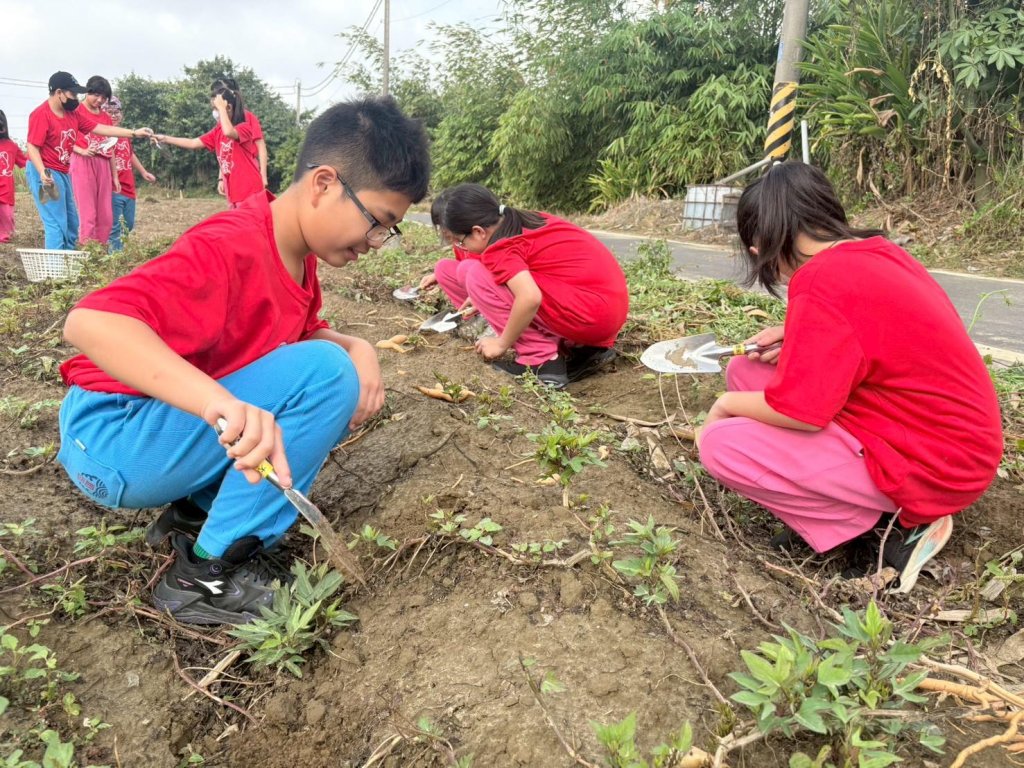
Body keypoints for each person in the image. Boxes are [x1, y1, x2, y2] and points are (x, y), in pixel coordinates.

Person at [57, 96, 430, 625]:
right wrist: (220, 404)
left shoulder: (295, 257)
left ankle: (196, 513)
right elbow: (89, 323)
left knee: (326, 361)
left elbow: (299, 333)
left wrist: (360, 346)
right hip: (111, 435)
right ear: (324, 184)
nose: (377, 241)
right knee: (325, 375)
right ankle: (202, 577)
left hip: (143, 436)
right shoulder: (229, 245)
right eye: (378, 222)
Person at [696, 161, 1003, 593]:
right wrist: (796, 333)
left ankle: (882, 527)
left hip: (938, 467)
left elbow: (803, 413)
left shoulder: (820, 281)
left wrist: (722, 407)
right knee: (744, 370)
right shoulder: (876, 252)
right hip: (952, 439)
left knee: (721, 444)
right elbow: (881, 327)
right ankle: (862, 510)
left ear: (761, 242)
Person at [430, 183, 628, 389]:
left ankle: (541, 360)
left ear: (479, 231)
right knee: (465, 272)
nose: (461, 248)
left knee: (474, 275)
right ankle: (576, 348)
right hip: (605, 311)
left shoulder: (501, 247)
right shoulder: (525, 220)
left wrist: (501, 344)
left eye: (460, 242)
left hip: (590, 318)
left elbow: (530, 297)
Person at [26, 71, 153, 250]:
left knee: (72, 221)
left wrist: (134, 133)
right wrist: (42, 173)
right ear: (59, 92)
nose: (75, 98)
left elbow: (101, 128)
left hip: (62, 171)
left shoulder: (72, 115)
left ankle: (68, 264)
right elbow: (32, 147)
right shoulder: (41, 114)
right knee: (56, 221)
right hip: (44, 171)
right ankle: (54, 271)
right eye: (72, 93)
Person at [154, 77, 267, 208]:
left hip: (249, 191)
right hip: (234, 192)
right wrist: (165, 138)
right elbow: (193, 143)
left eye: (216, 108)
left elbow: (229, 132)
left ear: (228, 107)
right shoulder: (217, 131)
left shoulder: (244, 127)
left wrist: (222, 109)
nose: (214, 113)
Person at [69, 76, 118, 245]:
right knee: (88, 214)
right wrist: (81, 150)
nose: (100, 100)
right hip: (82, 161)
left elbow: (110, 146)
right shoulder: (75, 111)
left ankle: (100, 252)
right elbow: (67, 138)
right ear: (87, 91)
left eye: (104, 97)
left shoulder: (106, 118)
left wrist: (115, 176)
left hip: (103, 164)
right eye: (96, 95)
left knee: (106, 215)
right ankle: (86, 253)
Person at [104, 97, 156, 252]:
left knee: (129, 224)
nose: (114, 115)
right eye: (110, 112)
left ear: (122, 114)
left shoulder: (125, 135)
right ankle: (114, 258)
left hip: (129, 187)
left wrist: (143, 171)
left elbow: (130, 154)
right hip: (114, 188)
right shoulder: (103, 135)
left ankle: (118, 252)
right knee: (116, 227)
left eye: (117, 112)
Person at [0, 109, 28, 243]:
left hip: (6, 189)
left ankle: (5, 236)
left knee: (6, 214)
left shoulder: (12, 146)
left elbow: (26, 163)